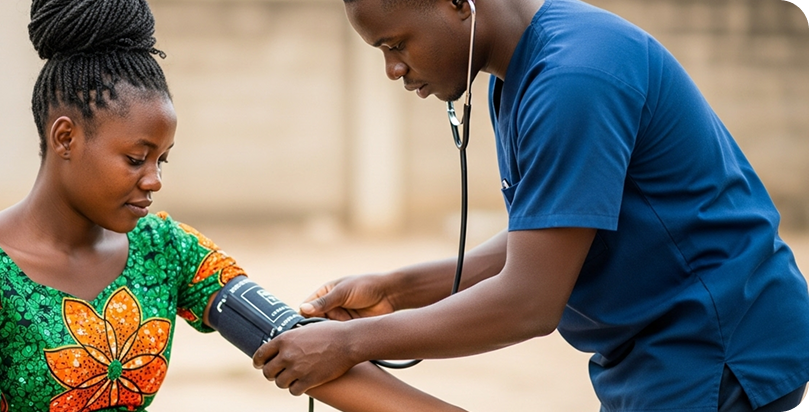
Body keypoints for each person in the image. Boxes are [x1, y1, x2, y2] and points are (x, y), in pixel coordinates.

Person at [0, 1, 467, 411]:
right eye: (135, 158)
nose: (153, 182)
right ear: (65, 138)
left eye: (162, 161)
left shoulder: (164, 248)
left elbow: (293, 346)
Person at [252, 0, 809, 411]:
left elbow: (529, 302)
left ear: (457, 4)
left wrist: (350, 343)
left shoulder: (573, 79)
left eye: (395, 44)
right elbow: (547, 237)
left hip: (716, 352)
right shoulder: (516, 76)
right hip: (658, 353)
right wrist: (395, 289)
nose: (393, 69)